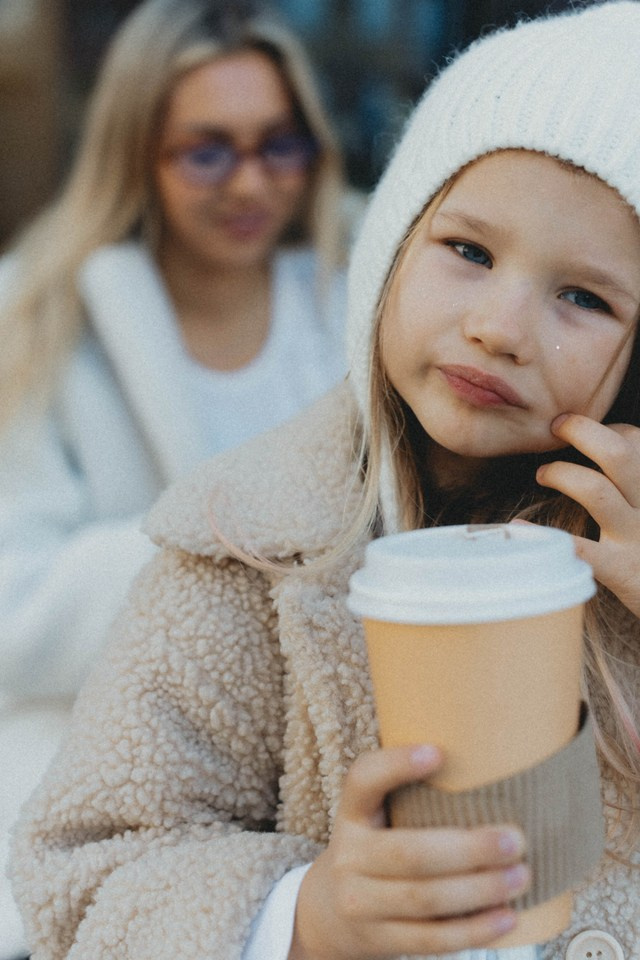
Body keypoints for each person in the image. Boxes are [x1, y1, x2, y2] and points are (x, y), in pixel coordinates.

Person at [10, 2, 640, 958]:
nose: (500, 326)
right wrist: (312, 915)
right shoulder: (238, 559)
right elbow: (86, 873)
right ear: (392, 249)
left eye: (585, 297)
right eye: (468, 250)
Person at [0, 0, 353, 955]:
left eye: (280, 146)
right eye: (207, 151)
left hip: (323, 775)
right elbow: (12, 606)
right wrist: (215, 542)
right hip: (107, 769)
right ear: (135, 155)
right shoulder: (34, 317)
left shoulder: (355, 289)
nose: (251, 182)